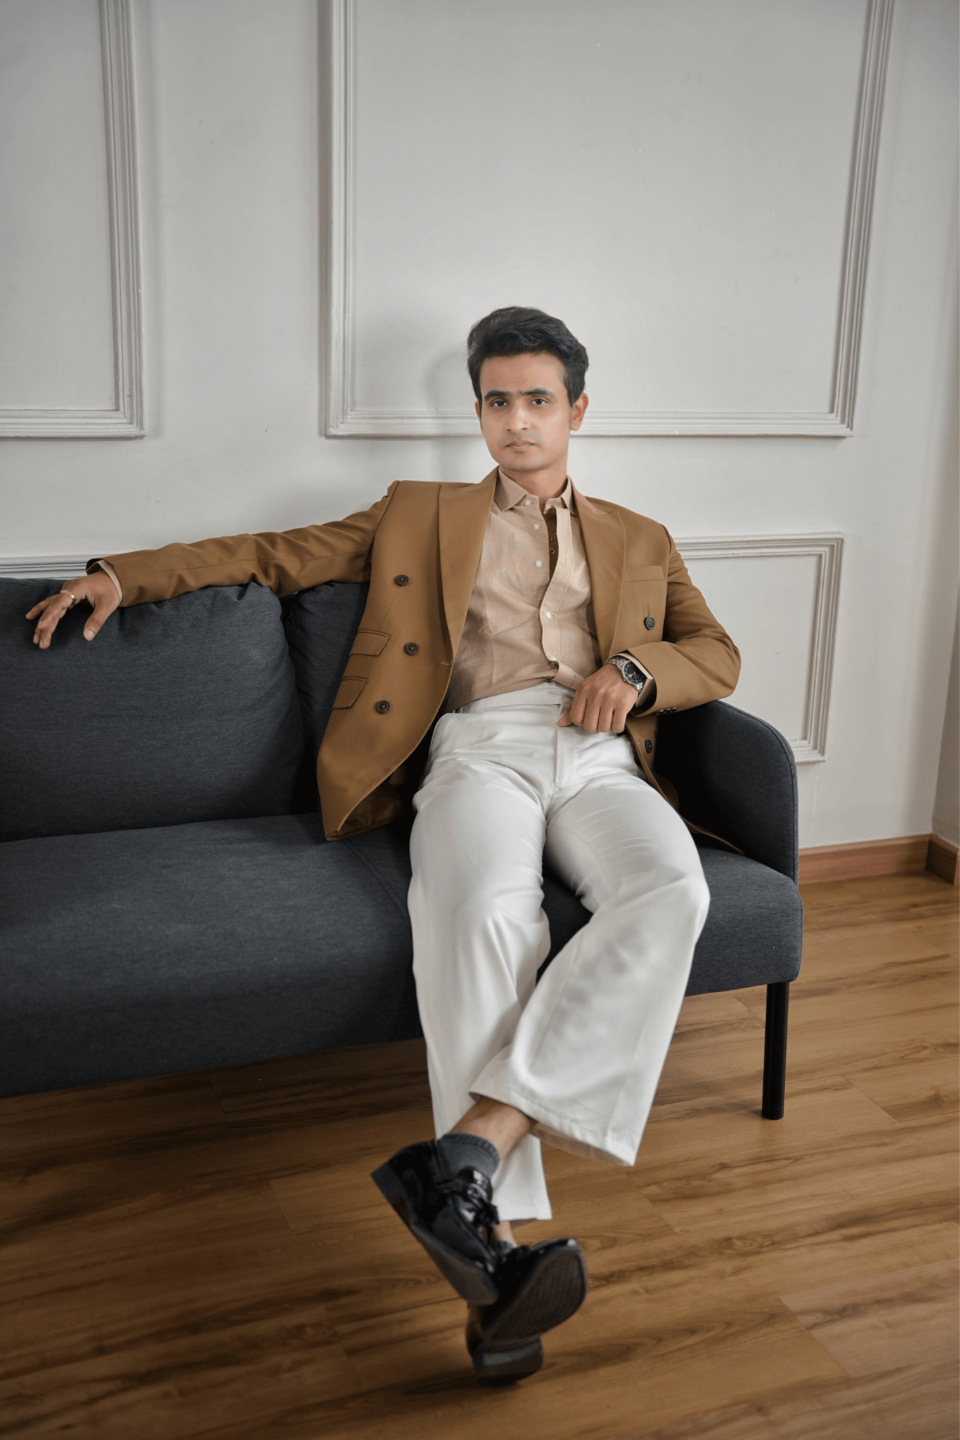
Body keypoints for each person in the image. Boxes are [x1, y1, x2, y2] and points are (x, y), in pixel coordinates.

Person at [28, 307, 740, 1387]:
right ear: (477, 411)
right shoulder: (419, 514)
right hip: (476, 749)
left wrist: (637, 673)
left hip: (599, 758)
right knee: (483, 918)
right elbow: (271, 556)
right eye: (496, 401)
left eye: (537, 400)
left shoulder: (641, 536)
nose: (515, 420)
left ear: (577, 410)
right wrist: (125, 576)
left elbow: (714, 650)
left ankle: (468, 1153)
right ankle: (491, 1254)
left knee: (672, 889)